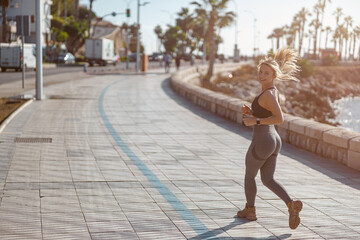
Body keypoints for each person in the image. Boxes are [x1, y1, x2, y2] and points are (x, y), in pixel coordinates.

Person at [237, 48, 303, 230]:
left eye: (266, 73)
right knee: (268, 179)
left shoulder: (268, 94)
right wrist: (251, 113)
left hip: (263, 141)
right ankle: (291, 205)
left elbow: (280, 118)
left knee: (250, 175)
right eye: (260, 71)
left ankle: (250, 210)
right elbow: (268, 115)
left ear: (274, 75)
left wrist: (255, 120)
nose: (262, 75)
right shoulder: (270, 92)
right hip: (272, 141)